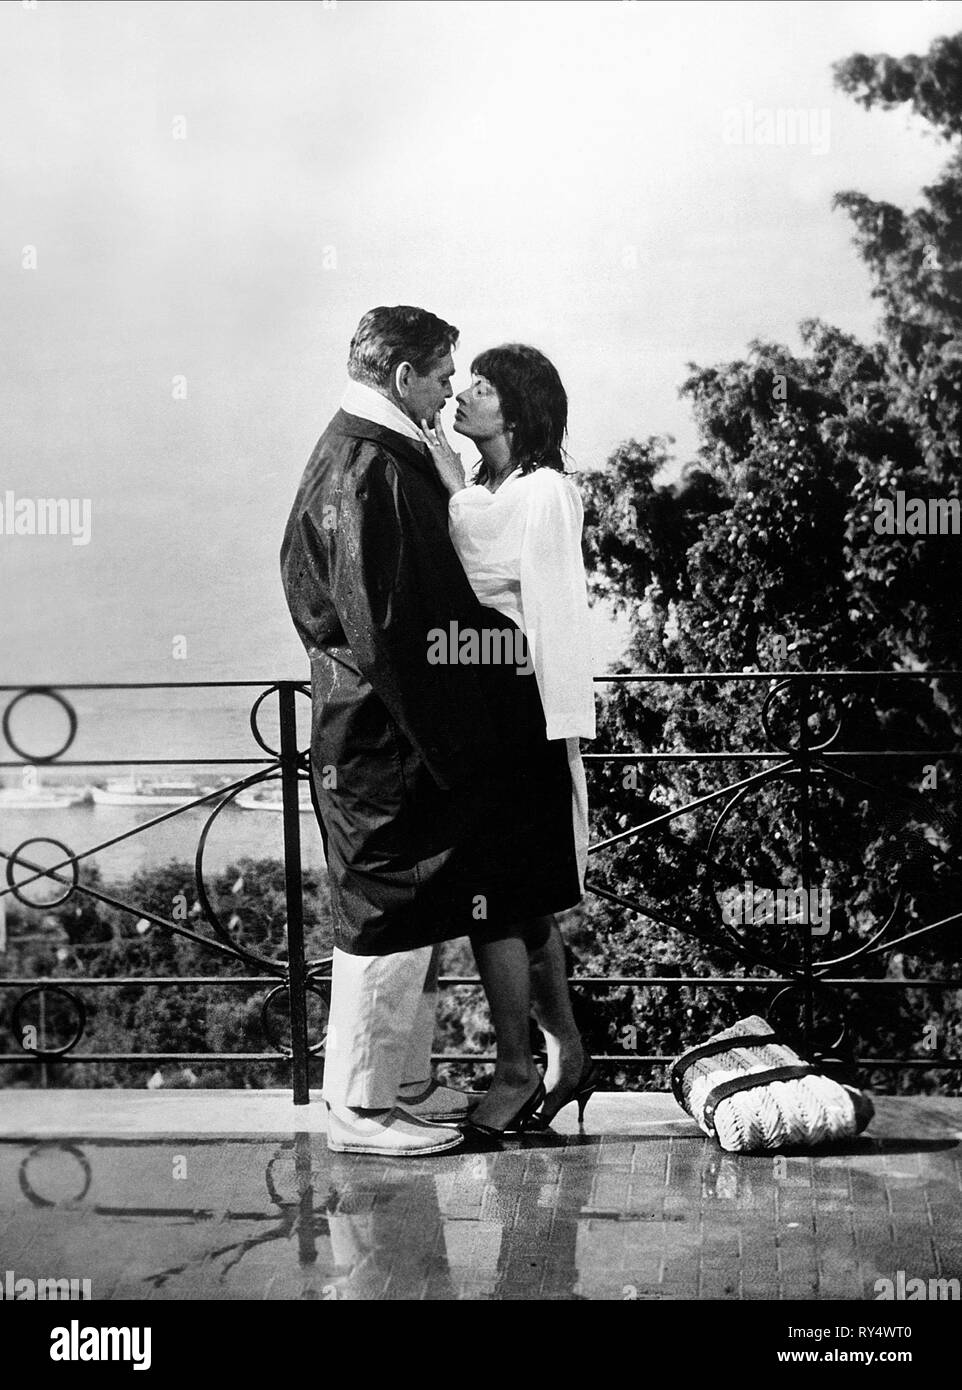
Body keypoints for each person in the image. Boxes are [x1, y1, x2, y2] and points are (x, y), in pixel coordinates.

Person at [418, 343, 598, 1137]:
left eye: (482, 388)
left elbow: (524, 588)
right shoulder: (488, 486)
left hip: (519, 710)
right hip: (480, 704)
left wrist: (451, 481)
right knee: (520, 907)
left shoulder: (544, 491)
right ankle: (569, 1052)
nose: (464, 395)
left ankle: (515, 1072)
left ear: (516, 413)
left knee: (493, 902)